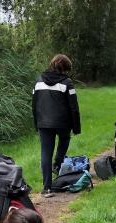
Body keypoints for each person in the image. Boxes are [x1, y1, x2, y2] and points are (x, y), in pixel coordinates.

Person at [32, 54, 81, 198]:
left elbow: (34, 105)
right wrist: (76, 127)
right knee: (65, 139)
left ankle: (47, 188)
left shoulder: (38, 81)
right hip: (62, 123)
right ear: (64, 69)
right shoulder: (67, 83)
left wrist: (36, 123)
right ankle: (57, 163)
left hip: (43, 123)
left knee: (45, 153)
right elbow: (74, 107)